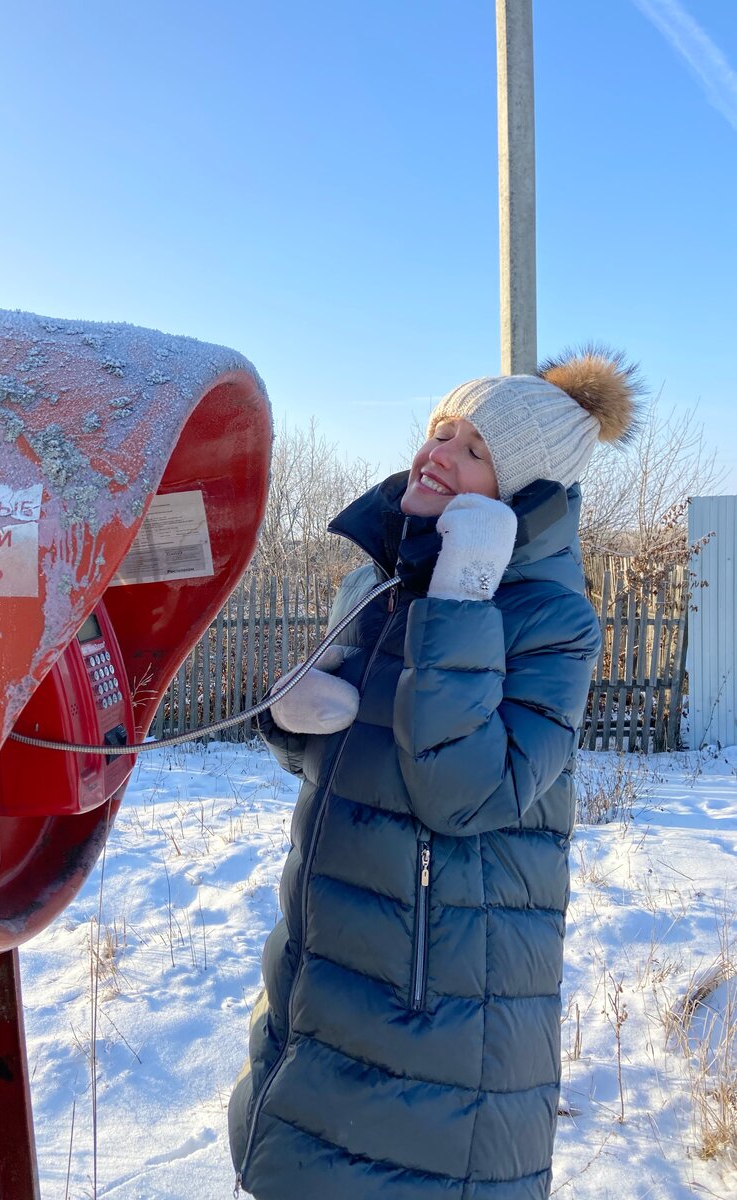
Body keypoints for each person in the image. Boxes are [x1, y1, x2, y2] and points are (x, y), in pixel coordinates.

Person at [228, 349, 640, 1200]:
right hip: (325, 982)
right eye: (440, 431)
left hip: (440, 1024)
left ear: (519, 492)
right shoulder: (379, 581)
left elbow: (467, 795)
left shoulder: (552, 619)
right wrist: (287, 721)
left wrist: (461, 600)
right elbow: (352, 770)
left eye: (474, 448)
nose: (439, 451)